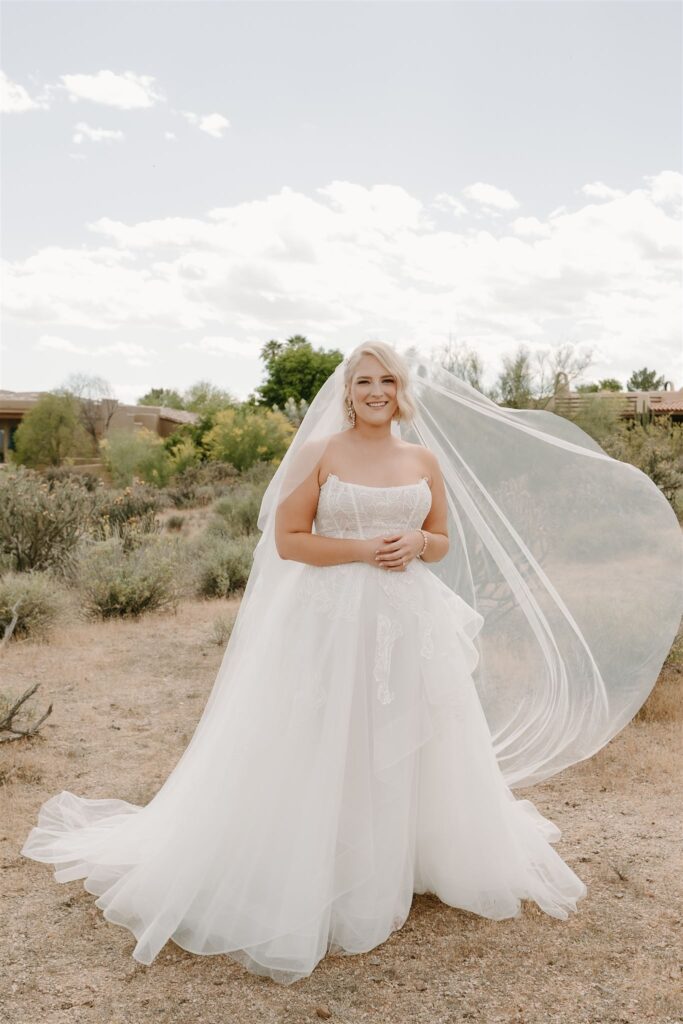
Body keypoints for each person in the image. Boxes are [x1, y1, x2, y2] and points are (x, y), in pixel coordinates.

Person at [20, 341, 683, 986]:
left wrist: (418, 541)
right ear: (347, 392)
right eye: (364, 381)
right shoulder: (320, 452)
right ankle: (327, 860)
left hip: (408, 618)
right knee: (329, 729)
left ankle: (409, 854)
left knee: (409, 729)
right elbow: (289, 540)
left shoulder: (422, 459)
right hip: (330, 617)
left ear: (401, 390)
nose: (375, 391)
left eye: (387, 381)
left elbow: (441, 540)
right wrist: (363, 550)